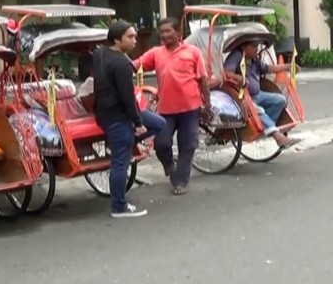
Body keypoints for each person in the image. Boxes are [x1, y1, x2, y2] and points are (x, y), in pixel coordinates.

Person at [134, 17, 212, 196]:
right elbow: (135, 65)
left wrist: (207, 105)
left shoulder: (193, 52)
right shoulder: (155, 53)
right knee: (161, 143)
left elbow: (203, 80)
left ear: (178, 33)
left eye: (168, 31)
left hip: (190, 108)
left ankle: (180, 181)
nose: (164, 35)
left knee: (188, 145)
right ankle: (169, 165)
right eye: (161, 32)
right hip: (165, 111)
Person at [93, 19, 149, 218]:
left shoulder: (101, 53)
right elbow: (127, 98)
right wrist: (138, 123)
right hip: (118, 116)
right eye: (131, 37)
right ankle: (119, 207)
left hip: (104, 113)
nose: (135, 40)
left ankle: (128, 143)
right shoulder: (121, 63)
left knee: (158, 123)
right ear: (117, 40)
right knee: (120, 163)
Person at [223, 40, 301, 149]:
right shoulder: (236, 56)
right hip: (242, 97)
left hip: (258, 95)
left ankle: (264, 126)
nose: (257, 49)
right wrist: (237, 77)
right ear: (244, 46)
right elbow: (226, 72)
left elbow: (269, 68)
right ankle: (277, 136)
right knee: (257, 111)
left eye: (257, 46)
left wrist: (288, 66)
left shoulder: (254, 59)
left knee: (280, 100)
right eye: (254, 46)